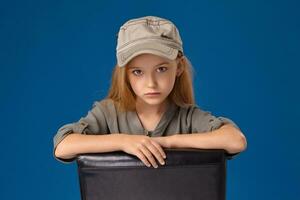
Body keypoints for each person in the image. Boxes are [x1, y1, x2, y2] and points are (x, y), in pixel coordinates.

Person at [53, 15, 247, 168]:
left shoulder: (188, 117)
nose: (151, 83)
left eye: (161, 69)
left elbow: (235, 140)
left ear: (179, 67)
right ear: (125, 74)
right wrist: (123, 142)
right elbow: (63, 146)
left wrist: (168, 143)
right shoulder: (108, 113)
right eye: (138, 72)